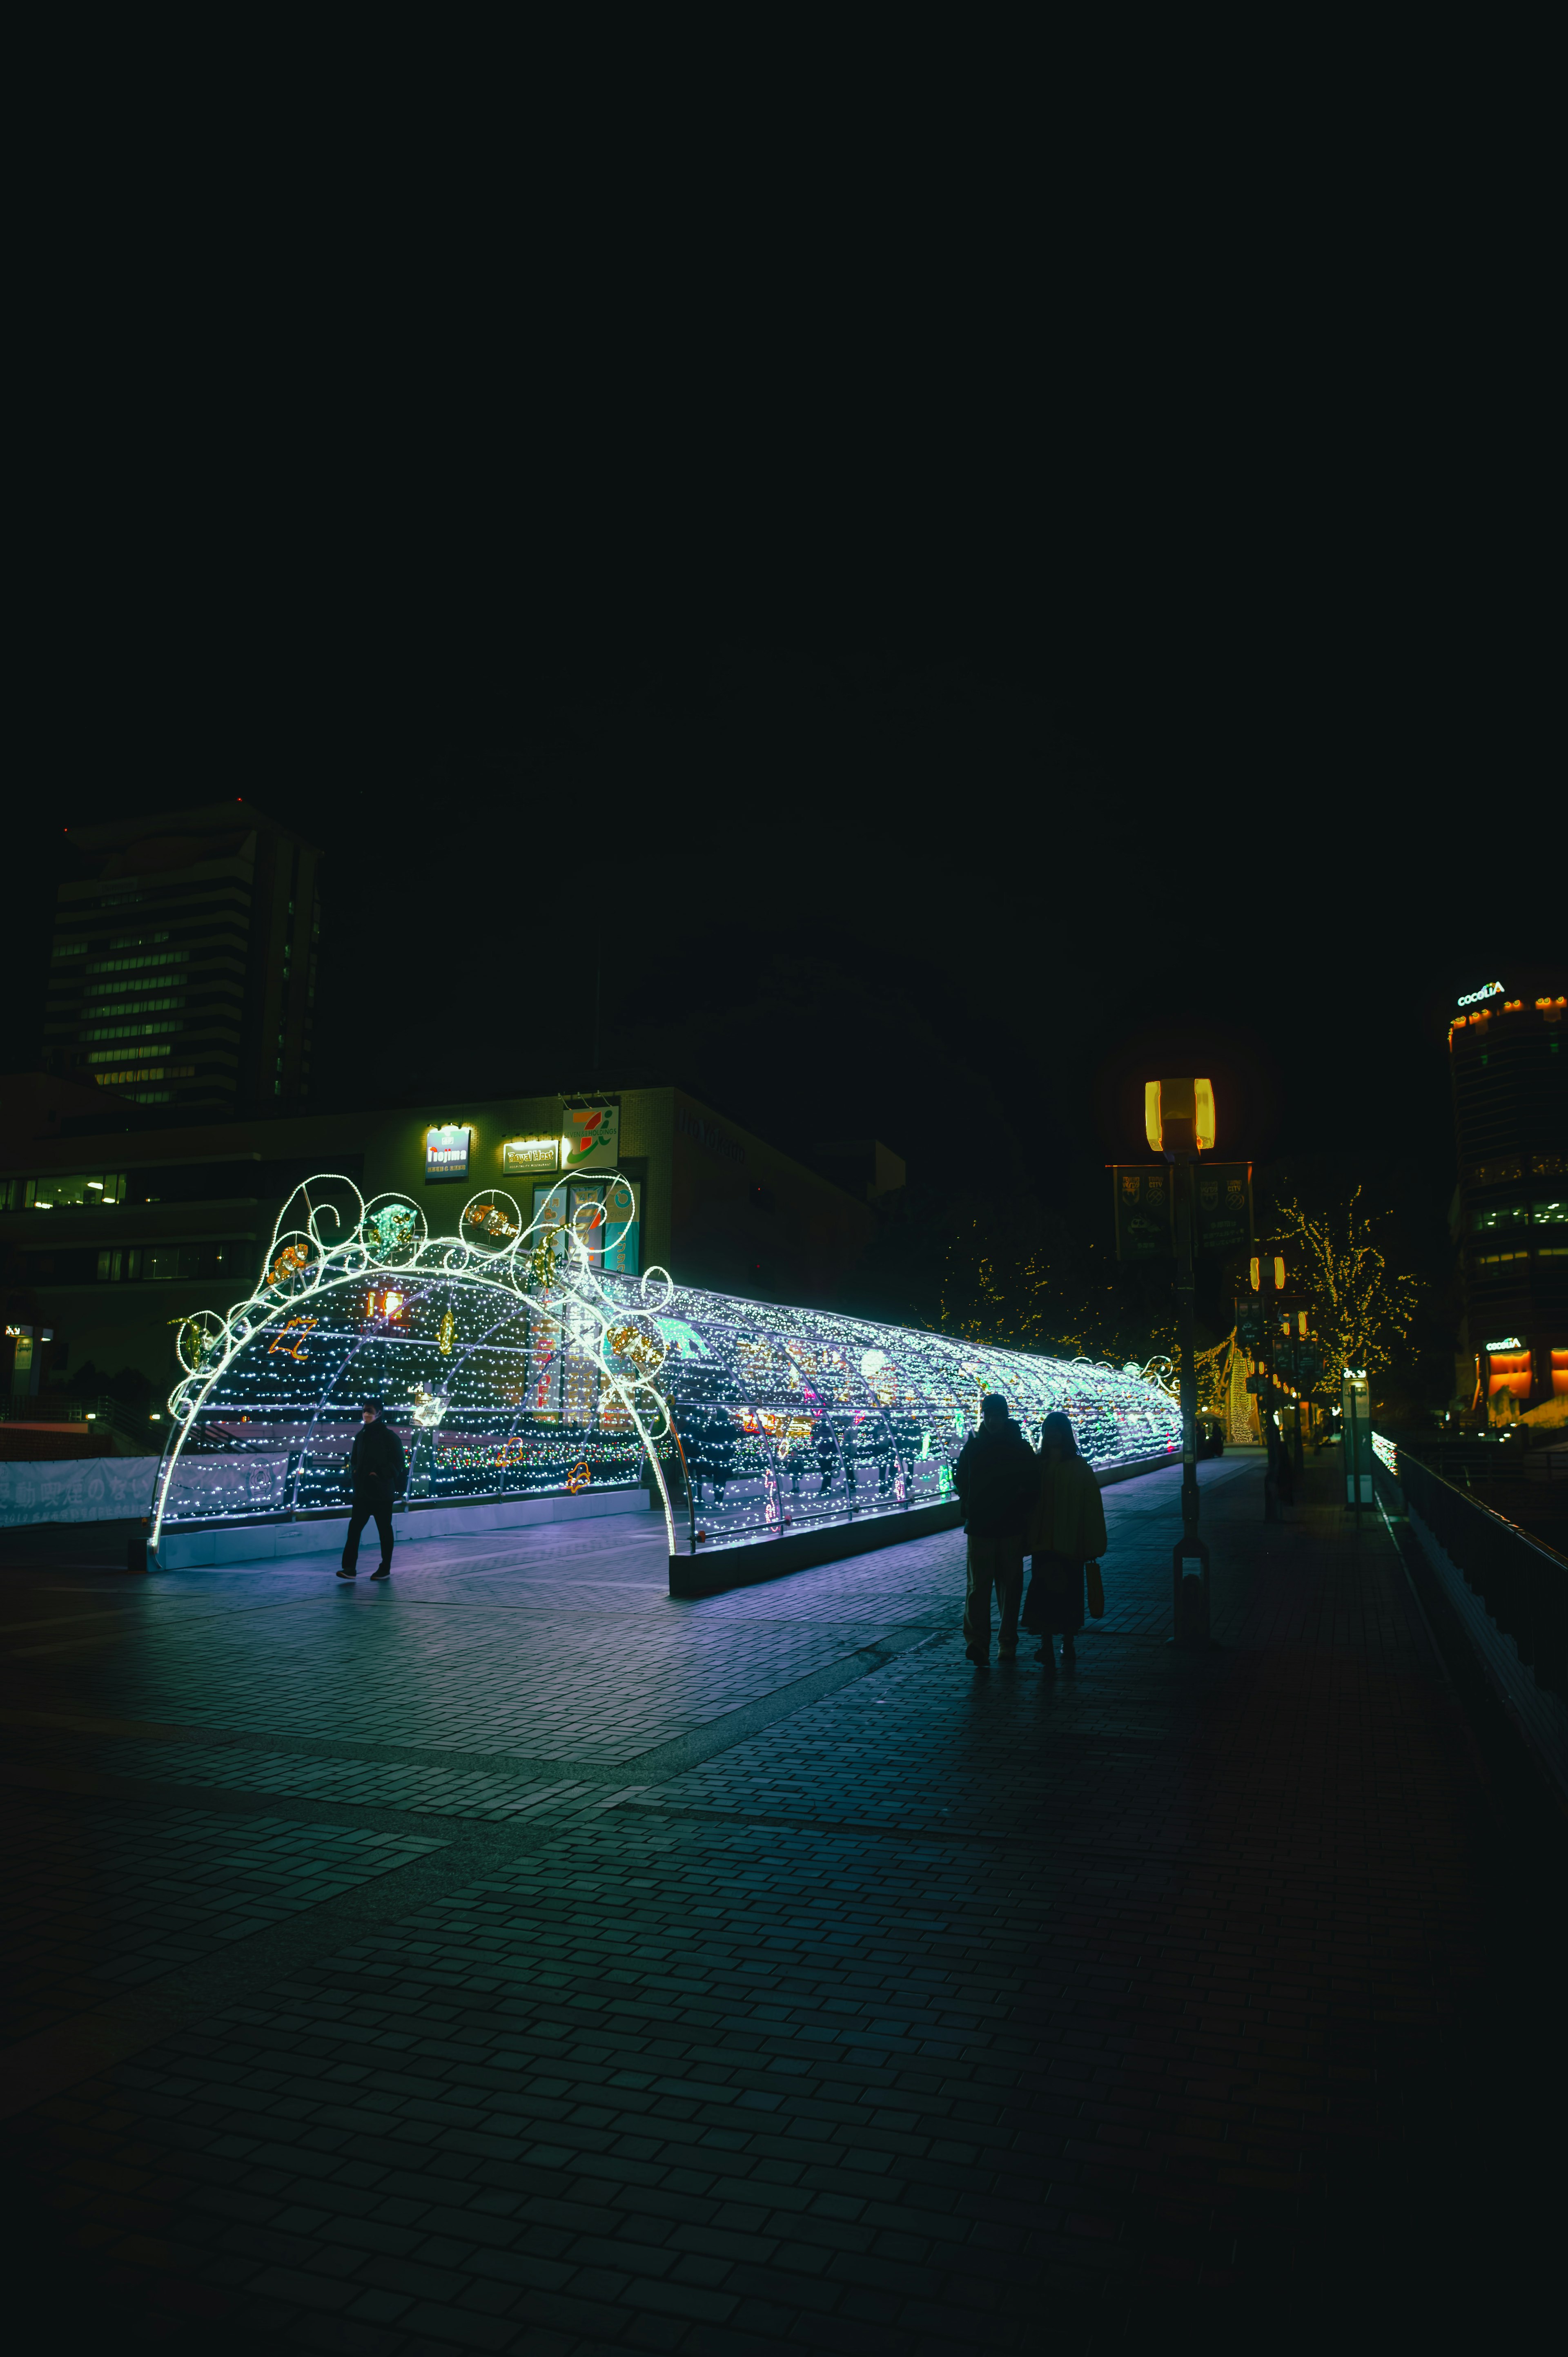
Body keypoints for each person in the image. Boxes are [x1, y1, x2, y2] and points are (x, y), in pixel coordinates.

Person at [955, 1394, 1038, 1666]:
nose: (992, 1420)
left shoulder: (1020, 1448)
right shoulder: (975, 1447)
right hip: (980, 1527)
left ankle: (1006, 1642)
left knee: (1009, 1587)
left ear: (1005, 1416)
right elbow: (961, 1480)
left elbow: (1033, 1486)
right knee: (979, 1587)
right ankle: (978, 1643)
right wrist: (969, 1504)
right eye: (988, 1415)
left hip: (1010, 1526)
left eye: (997, 1415)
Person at [1022, 1410, 1107, 1674]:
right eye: (1049, 1430)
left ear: (1066, 1433)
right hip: (1044, 1544)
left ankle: (1068, 1642)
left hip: (1070, 1544)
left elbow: (1091, 1508)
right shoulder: (1038, 1465)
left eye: (1057, 1430)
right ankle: (1047, 1646)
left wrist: (1092, 1543)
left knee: (1068, 1594)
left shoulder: (1080, 1467)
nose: (1053, 1435)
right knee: (1044, 1595)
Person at [339, 1399, 407, 1579]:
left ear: (379, 1413)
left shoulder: (388, 1436)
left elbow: (399, 1462)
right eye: (364, 1411)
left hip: (381, 1494)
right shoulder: (362, 1435)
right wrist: (355, 1473)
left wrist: (379, 1475)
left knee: (384, 1531)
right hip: (363, 1493)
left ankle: (384, 1568)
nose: (366, 1415)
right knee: (355, 1530)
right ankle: (350, 1568)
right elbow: (355, 1459)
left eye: (369, 1411)